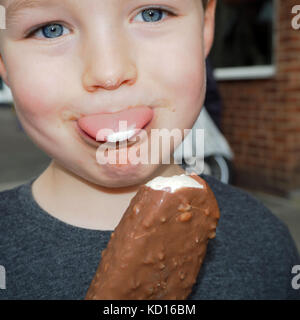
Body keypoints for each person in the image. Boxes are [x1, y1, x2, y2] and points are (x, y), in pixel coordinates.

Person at [0, 0, 299, 300]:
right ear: (4, 63)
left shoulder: (268, 245)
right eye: (50, 31)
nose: (109, 73)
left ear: (205, 29)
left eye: (151, 14)